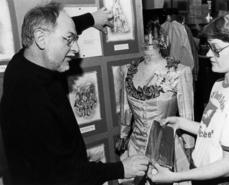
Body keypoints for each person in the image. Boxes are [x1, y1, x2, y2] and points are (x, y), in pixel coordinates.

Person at [0, 2, 149, 185]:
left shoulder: (25, 59)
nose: (77, 48)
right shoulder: (30, 99)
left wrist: (91, 19)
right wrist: (121, 169)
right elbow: (64, 174)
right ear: (41, 38)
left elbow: (61, 28)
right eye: (69, 40)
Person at [148, 12, 229, 185]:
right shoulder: (219, 84)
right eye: (209, 47)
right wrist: (181, 123)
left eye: (217, 49)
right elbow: (213, 131)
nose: (209, 55)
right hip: (202, 172)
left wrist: (177, 176)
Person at [115, 21, 194, 185]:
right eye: (146, 38)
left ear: (162, 41)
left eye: (154, 38)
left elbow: (187, 115)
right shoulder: (127, 70)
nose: (149, 42)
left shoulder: (179, 72)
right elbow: (125, 108)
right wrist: (123, 134)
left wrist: (189, 146)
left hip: (166, 147)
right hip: (135, 146)